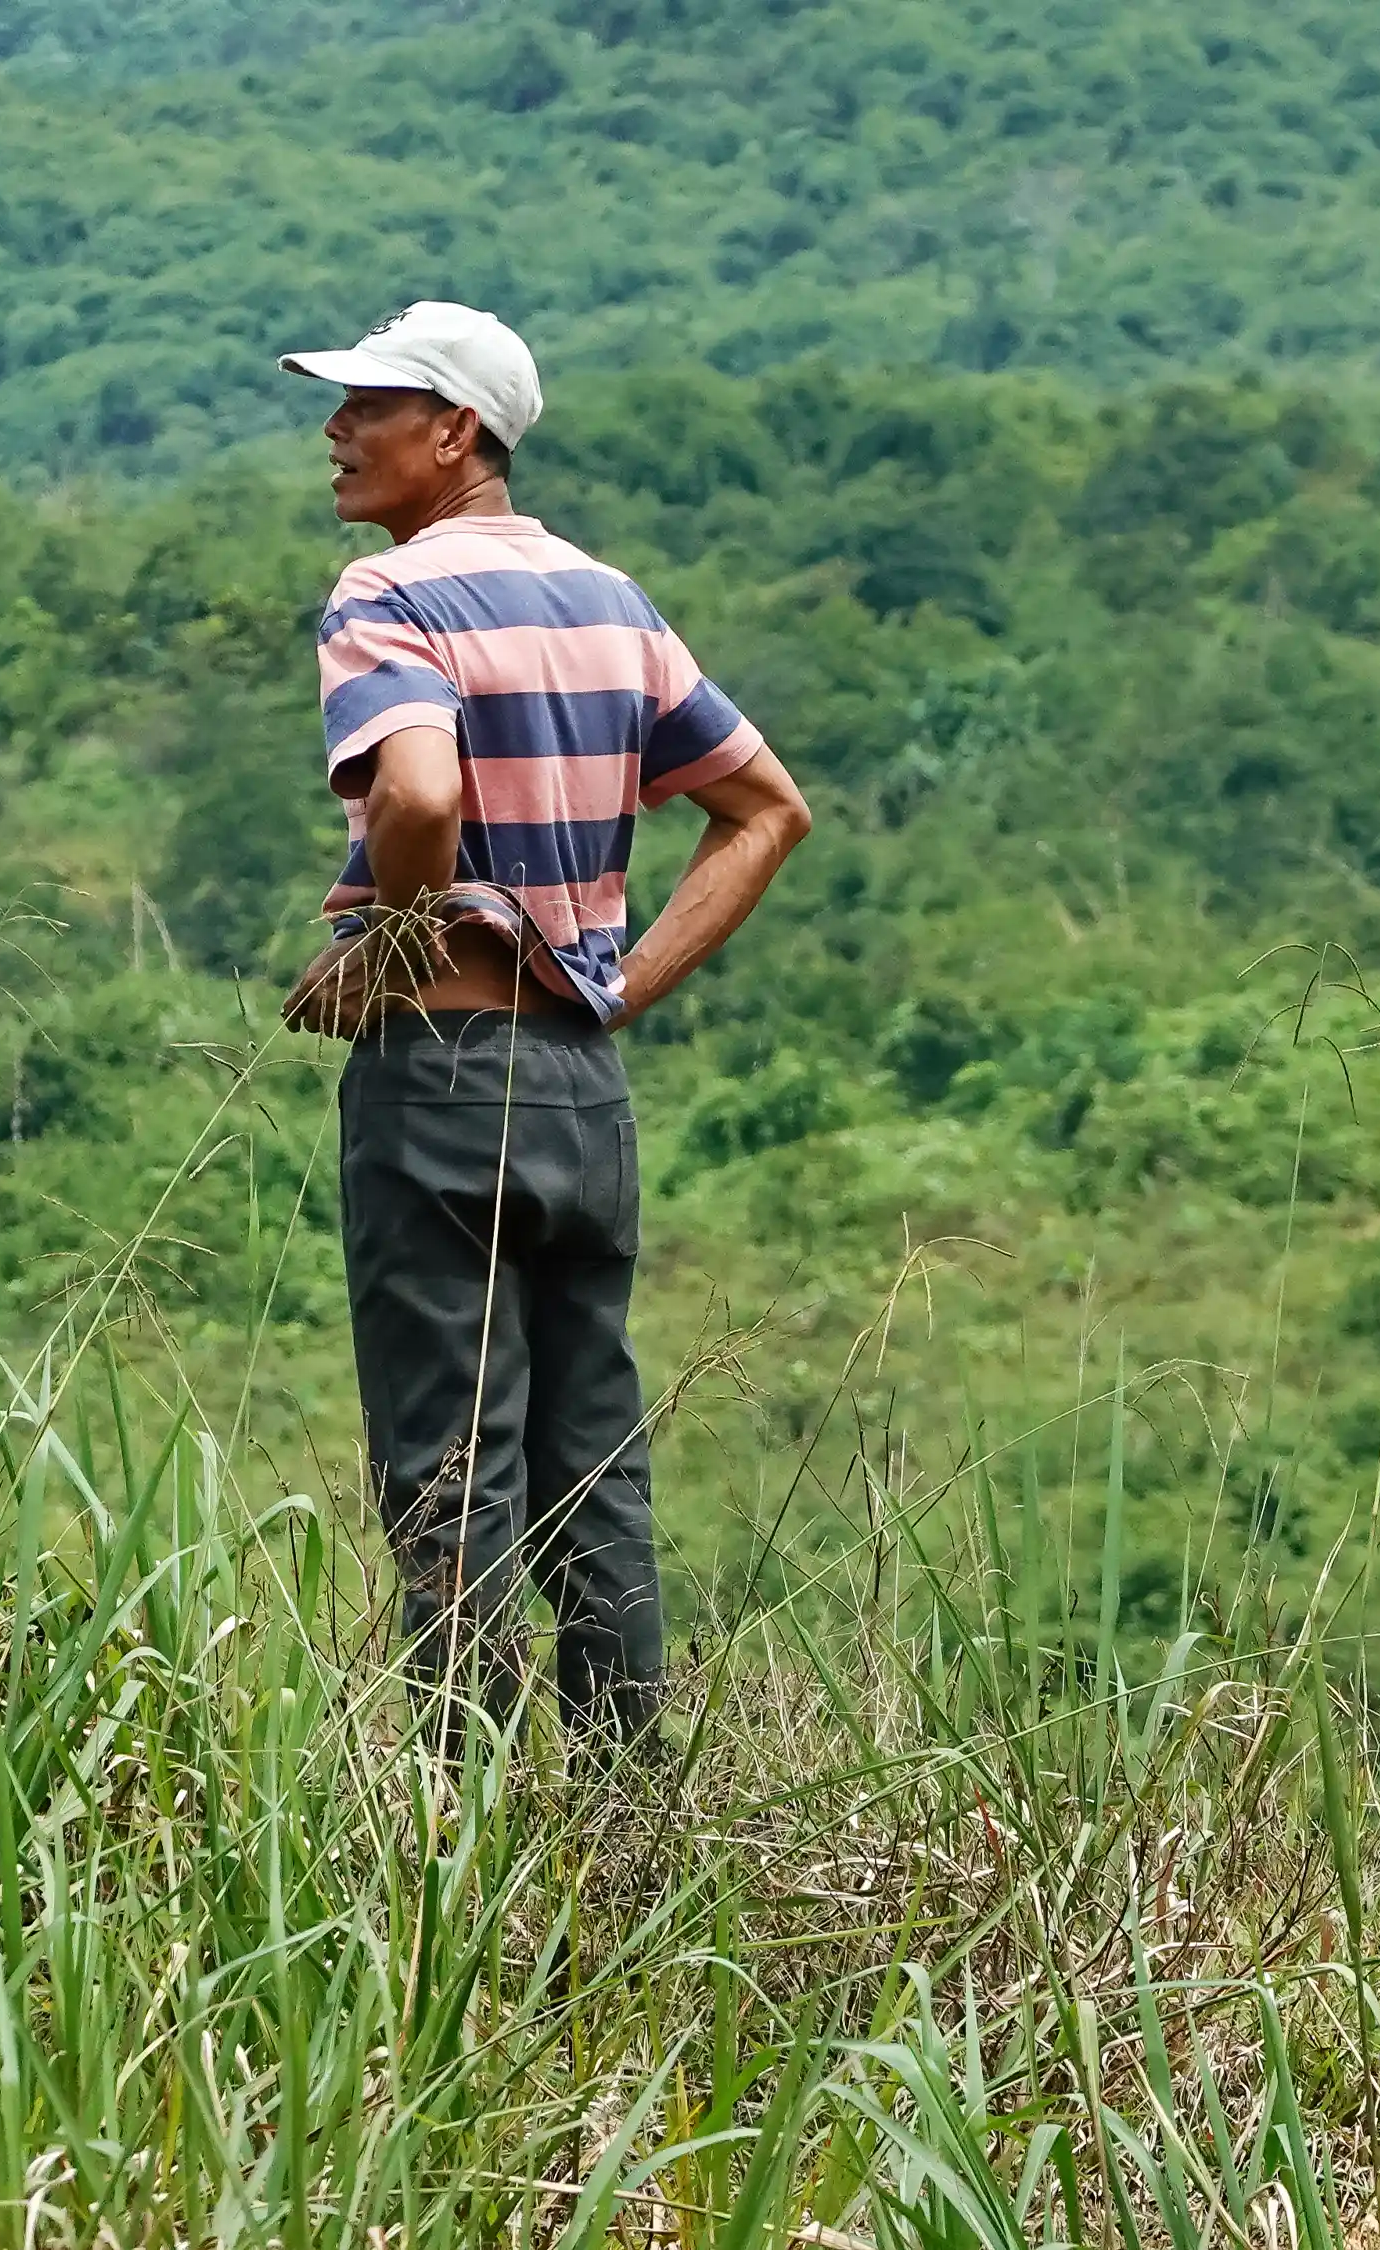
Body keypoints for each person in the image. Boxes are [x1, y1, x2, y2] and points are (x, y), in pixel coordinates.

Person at [273, 301, 813, 1754]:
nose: (337, 431)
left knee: (453, 1483)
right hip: (585, 1086)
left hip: (442, 1084)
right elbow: (764, 811)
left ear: (454, 433)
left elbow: (424, 795)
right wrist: (622, 985)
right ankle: (627, 1832)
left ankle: (472, 1850)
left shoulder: (384, 598)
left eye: (369, 405)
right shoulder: (610, 600)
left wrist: (390, 944)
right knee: (597, 1477)